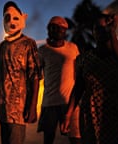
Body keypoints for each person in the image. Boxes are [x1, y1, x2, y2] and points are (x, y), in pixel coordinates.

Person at [61, 13, 118, 144]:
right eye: (97, 28)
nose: (101, 32)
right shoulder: (84, 58)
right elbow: (79, 87)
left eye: (105, 28)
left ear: (112, 29)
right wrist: (68, 114)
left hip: (115, 115)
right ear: (93, 32)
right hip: (89, 114)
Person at [0, 1, 41, 144]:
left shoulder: (28, 44)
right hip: (2, 108)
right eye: (7, 18)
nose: (11, 22)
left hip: (18, 109)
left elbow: (35, 76)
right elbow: (0, 76)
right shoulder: (2, 46)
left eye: (15, 17)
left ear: (22, 18)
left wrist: (32, 107)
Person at [37, 16, 81, 144]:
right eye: (53, 28)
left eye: (60, 29)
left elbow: (79, 73)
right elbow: (35, 75)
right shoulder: (42, 51)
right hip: (49, 103)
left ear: (65, 31)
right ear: (48, 30)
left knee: (76, 139)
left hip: (70, 102)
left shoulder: (73, 48)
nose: (56, 31)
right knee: (48, 139)